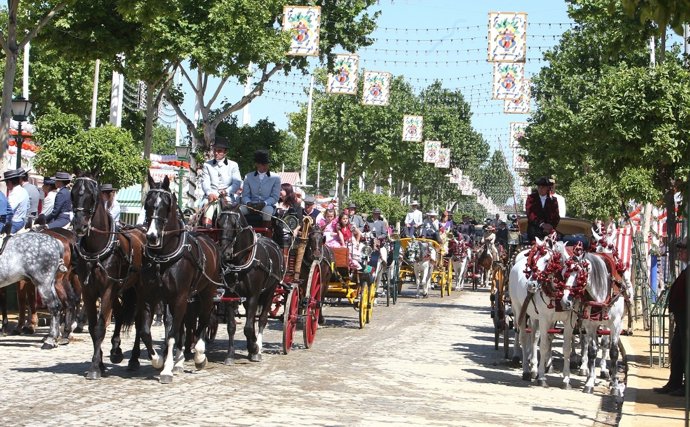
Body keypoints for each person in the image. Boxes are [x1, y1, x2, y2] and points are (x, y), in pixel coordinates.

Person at [654, 237, 688, 396]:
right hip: (681, 317)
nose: (680, 253)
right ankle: (674, 382)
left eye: (683, 250)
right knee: (677, 349)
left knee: (685, 350)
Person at [200, 136, 242, 228]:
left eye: (219, 151)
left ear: (225, 152)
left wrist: (226, 191)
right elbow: (205, 182)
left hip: (227, 197)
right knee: (206, 210)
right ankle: (206, 229)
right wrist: (209, 193)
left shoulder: (233, 165)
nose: (216, 153)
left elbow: (237, 183)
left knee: (233, 214)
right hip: (211, 197)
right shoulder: (207, 165)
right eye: (215, 150)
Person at [240, 149, 281, 230]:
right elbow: (245, 195)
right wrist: (248, 203)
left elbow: (275, 197)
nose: (265, 166)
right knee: (239, 210)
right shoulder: (248, 177)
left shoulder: (276, 178)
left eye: (266, 164)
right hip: (251, 205)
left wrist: (264, 203)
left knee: (268, 211)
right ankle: (240, 234)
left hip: (266, 205)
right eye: (262, 164)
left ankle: (266, 236)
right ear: (257, 164)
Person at [525, 176, 560, 243]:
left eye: (543, 187)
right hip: (535, 230)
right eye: (539, 187)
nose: (540, 189)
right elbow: (530, 214)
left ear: (547, 188)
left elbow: (556, 216)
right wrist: (542, 224)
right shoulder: (531, 198)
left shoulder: (553, 200)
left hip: (549, 231)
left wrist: (550, 226)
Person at [274, 183, 303, 258]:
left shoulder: (295, 205)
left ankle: (284, 262)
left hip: (288, 233)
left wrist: (296, 230)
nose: (279, 191)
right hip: (275, 232)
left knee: (285, 238)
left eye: (281, 190)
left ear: (288, 191)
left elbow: (300, 221)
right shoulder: (275, 203)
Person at [2, 168, 30, 233]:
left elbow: (8, 210)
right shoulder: (23, 190)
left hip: (14, 223)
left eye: (6, 183)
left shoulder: (15, 193)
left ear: (9, 182)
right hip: (21, 221)